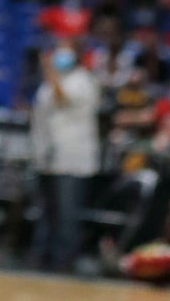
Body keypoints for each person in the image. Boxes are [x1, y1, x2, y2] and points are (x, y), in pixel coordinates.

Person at [30, 44, 100, 272]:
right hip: (48, 157)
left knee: (66, 213)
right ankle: (43, 257)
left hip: (72, 160)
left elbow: (61, 98)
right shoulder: (52, 81)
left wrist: (48, 69)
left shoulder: (83, 81)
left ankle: (64, 261)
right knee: (47, 212)